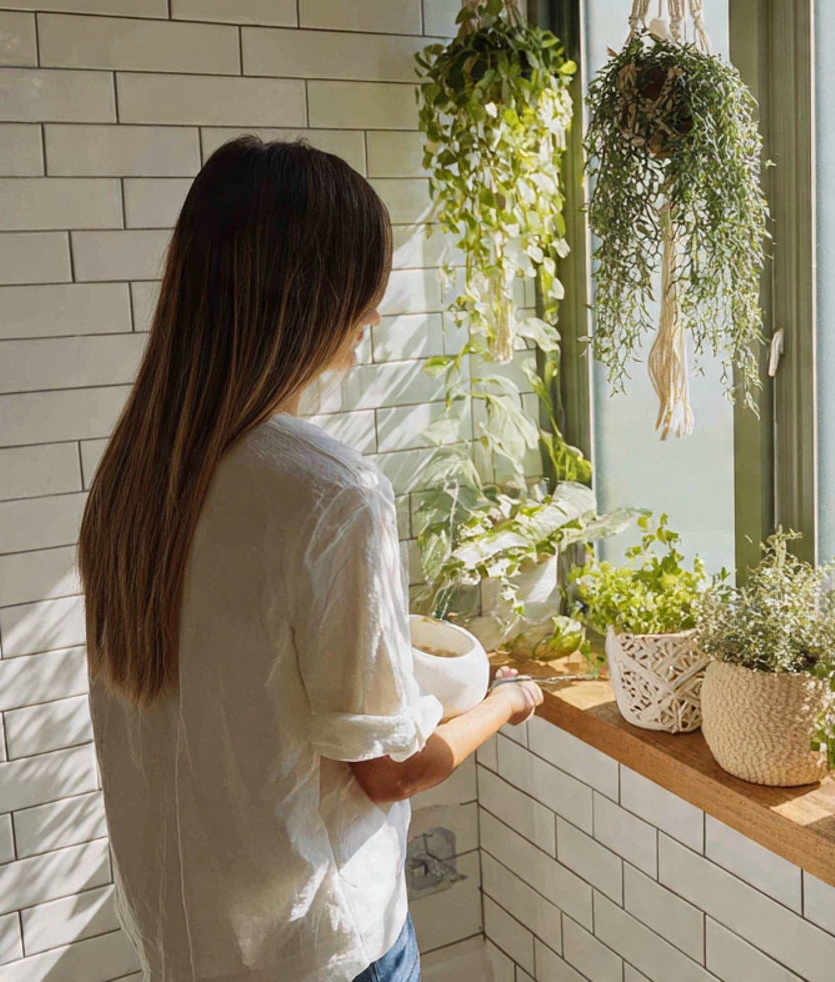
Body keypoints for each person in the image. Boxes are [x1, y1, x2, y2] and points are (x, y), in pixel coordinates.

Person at [79, 137, 542, 982]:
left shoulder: (135, 475)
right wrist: (509, 702)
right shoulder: (332, 493)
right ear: (306, 293)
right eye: (367, 280)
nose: (375, 308)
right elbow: (394, 773)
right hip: (315, 954)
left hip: (185, 944)